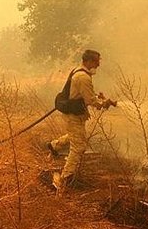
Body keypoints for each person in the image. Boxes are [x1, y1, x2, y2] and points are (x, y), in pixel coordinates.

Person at [47, 49, 115, 190]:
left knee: (75, 136)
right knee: (79, 146)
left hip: (73, 113)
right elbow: (90, 100)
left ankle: (54, 145)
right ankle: (65, 178)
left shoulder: (78, 71)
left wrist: (98, 97)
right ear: (89, 61)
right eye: (96, 61)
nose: (98, 65)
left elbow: (83, 94)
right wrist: (103, 103)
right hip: (73, 115)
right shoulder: (83, 77)